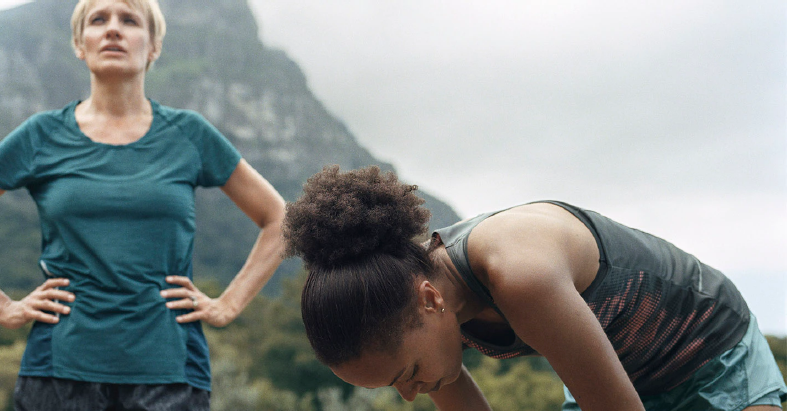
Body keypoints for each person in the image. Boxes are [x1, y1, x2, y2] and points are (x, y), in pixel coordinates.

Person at [0, 0, 286, 409]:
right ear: (79, 44)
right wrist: (0, 306)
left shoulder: (189, 134)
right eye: (98, 20)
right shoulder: (42, 135)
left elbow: (280, 218)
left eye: (129, 20)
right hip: (57, 374)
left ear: (154, 46)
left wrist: (228, 304)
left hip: (170, 374)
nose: (113, 30)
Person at [281, 165, 787, 411]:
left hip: (712, 355)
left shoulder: (518, 274)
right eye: (399, 385)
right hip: (621, 379)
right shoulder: (420, 313)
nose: (411, 394)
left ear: (430, 300)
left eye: (408, 374)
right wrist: (417, 370)